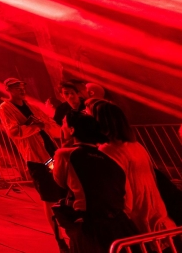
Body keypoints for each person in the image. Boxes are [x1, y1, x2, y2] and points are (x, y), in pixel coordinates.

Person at [52, 111, 136, 253]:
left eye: (64, 123)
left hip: (89, 225)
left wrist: (63, 145)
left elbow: (60, 181)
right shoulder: (111, 159)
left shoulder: (65, 154)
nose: (62, 127)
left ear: (72, 130)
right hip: (119, 224)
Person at [0, 78, 65, 250]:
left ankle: (67, 229)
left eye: (22, 86)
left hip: (51, 153)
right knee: (49, 196)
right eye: (16, 87)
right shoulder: (6, 108)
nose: (21, 90)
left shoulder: (31, 106)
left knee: (61, 191)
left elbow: (49, 124)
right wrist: (37, 127)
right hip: (36, 158)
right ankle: (58, 236)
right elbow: (14, 131)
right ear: (8, 90)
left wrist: (42, 125)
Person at [93, 100, 175, 233]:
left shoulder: (107, 150)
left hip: (137, 213)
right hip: (156, 209)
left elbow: (121, 186)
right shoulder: (136, 146)